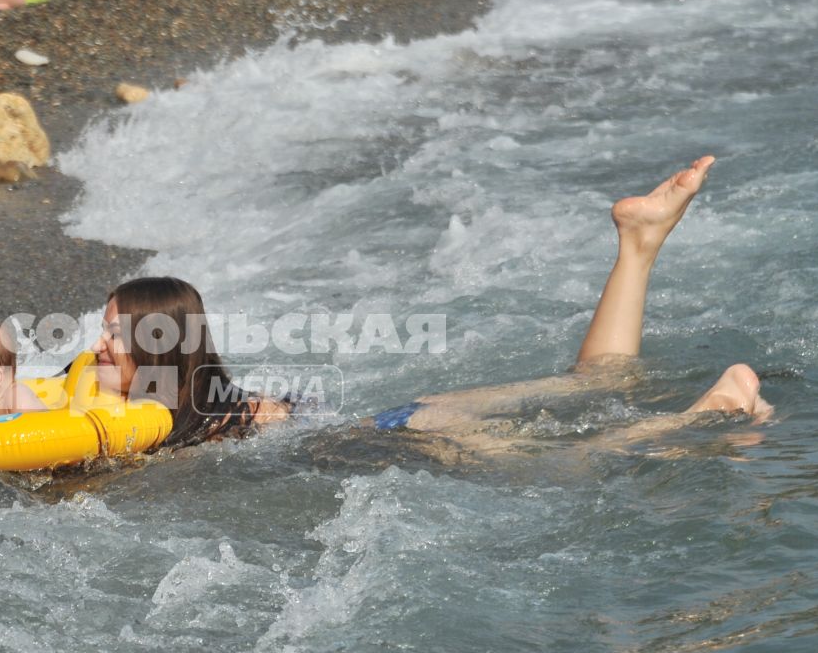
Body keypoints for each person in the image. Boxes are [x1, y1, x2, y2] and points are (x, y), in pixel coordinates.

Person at [87, 157, 768, 455]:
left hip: (403, 439)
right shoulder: (217, 405)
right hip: (403, 414)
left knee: (576, 460)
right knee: (589, 389)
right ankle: (638, 245)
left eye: (115, 337)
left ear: (158, 351)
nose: (95, 348)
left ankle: (706, 416)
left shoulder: (168, 430)